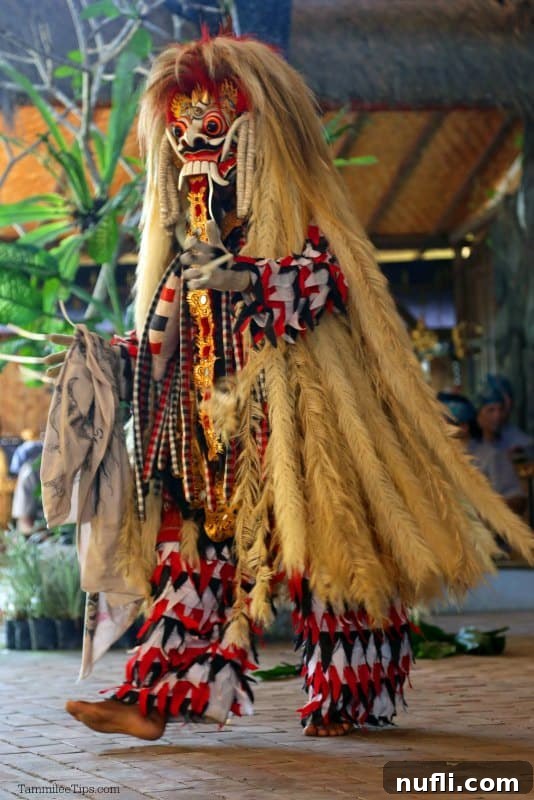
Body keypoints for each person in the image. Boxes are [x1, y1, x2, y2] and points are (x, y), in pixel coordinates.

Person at [41, 34, 534, 741]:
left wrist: (246, 276)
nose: (194, 151)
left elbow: (326, 276)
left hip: (300, 435)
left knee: (328, 567)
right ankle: (150, 700)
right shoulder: (186, 251)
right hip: (208, 444)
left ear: (250, 134)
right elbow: (160, 344)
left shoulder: (299, 221)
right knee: (194, 568)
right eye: (182, 138)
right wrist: (101, 362)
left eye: (210, 131)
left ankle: (352, 692)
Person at [468, 384, 527, 517]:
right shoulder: (473, 449)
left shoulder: (505, 447)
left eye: (500, 409)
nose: (497, 415)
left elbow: (517, 499)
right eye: (491, 410)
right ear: (478, 416)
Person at [486, 374, 534, 457]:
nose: (497, 414)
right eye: (491, 408)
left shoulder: (520, 441)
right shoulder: (471, 436)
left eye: (501, 406)